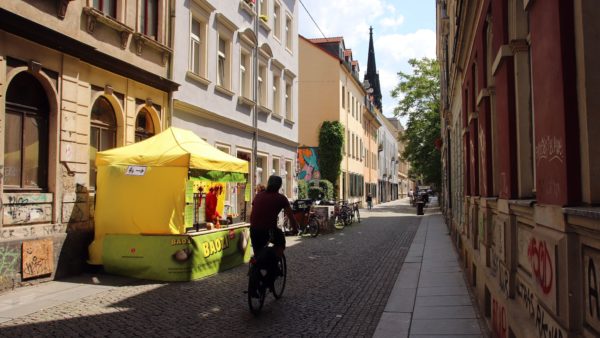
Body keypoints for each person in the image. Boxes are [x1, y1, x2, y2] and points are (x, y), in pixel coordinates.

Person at [250, 175, 298, 292]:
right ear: (280, 186)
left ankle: (256, 278)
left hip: (254, 229)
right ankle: (271, 272)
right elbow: (290, 216)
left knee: (258, 255)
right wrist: (295, 229)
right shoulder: (281, 198)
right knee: (280, 243)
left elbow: (253, 213)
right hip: (268, 230)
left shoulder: (258, 196)